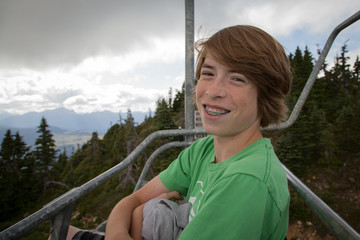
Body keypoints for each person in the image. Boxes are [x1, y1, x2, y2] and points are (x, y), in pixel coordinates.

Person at [67, 24, 292, 240]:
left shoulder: (246, 180)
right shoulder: (204, 149)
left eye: (237, 78)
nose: (213, 91)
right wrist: (117, 234)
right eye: (208, 73)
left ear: (265, 95)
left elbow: (137, 205)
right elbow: (134, 199)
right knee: (60, 233)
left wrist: (138, 216)